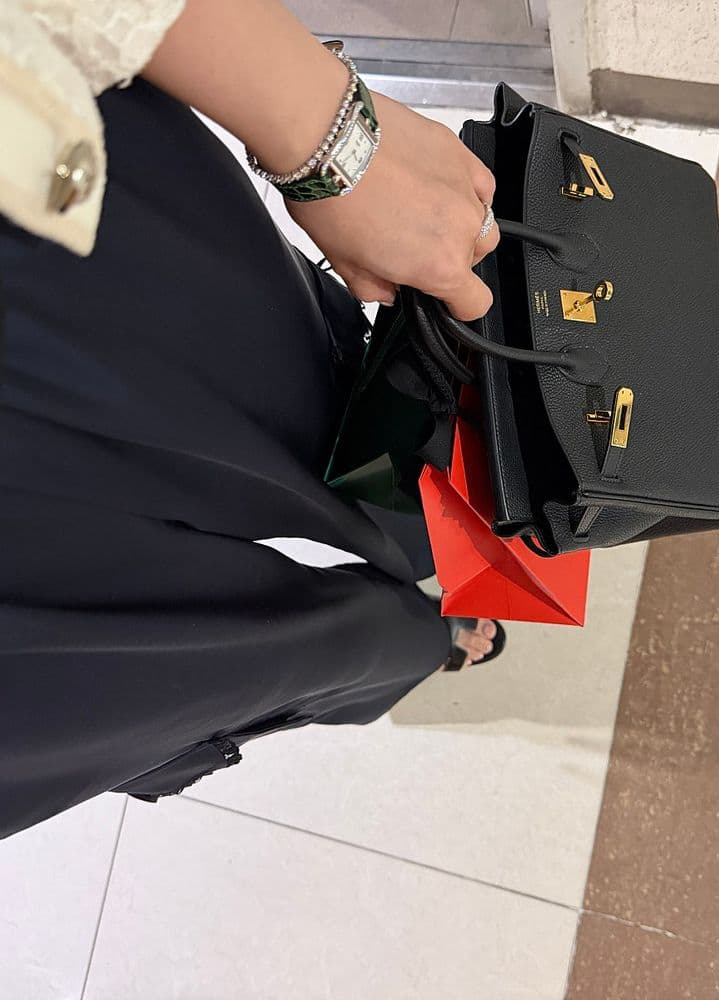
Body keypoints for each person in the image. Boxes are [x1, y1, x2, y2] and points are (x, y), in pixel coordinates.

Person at [0, 0, 504, 839]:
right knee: (249, 661)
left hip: (35, 245)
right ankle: (422, 630)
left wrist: (325, 132)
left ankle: (441, 549)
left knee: (330, 423)